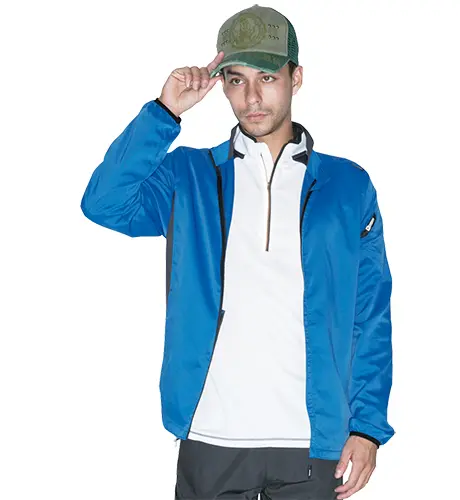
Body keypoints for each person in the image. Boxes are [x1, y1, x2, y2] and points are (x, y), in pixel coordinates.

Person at [80, 4, 395, 499]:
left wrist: (367, 427)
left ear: (296, 78)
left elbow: (370, 314)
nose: (251, 97)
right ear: (221, 85)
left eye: (267, 77)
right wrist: (164, 113)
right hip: (211, 434)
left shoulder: (347, 185)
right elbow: (104, 204)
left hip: (314, 442)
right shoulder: (189, 176)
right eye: (235, 80)